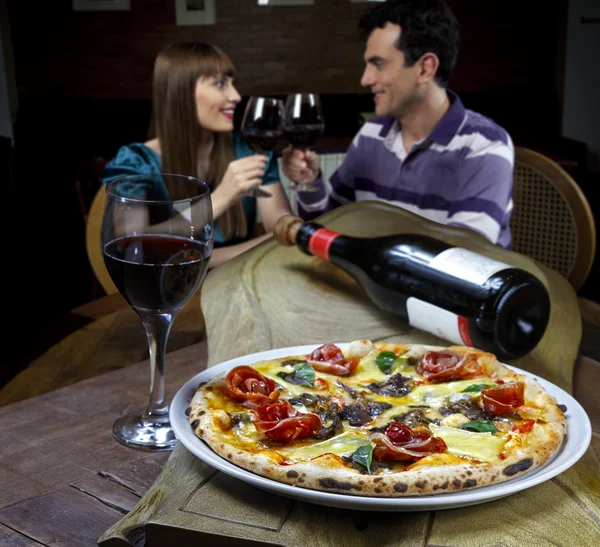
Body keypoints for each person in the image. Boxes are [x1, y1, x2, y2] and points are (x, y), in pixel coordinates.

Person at [282, 0, 514, 248]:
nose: (365, 79)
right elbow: (326, 227)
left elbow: (461, 263)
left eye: (378, 64)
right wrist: (310, 183)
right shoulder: (371, 135)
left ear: (425, 68)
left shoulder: (484, 147)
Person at [103, 42, 293, 267]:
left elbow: (280, 227)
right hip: (169, 295)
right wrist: (221, 198)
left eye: (232, 83)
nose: (236, 96)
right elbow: (135, 248)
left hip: (240, 278)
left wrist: (306, 194)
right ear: (180, 93)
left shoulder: (249, 150)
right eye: (220, 83)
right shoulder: (136, 163)